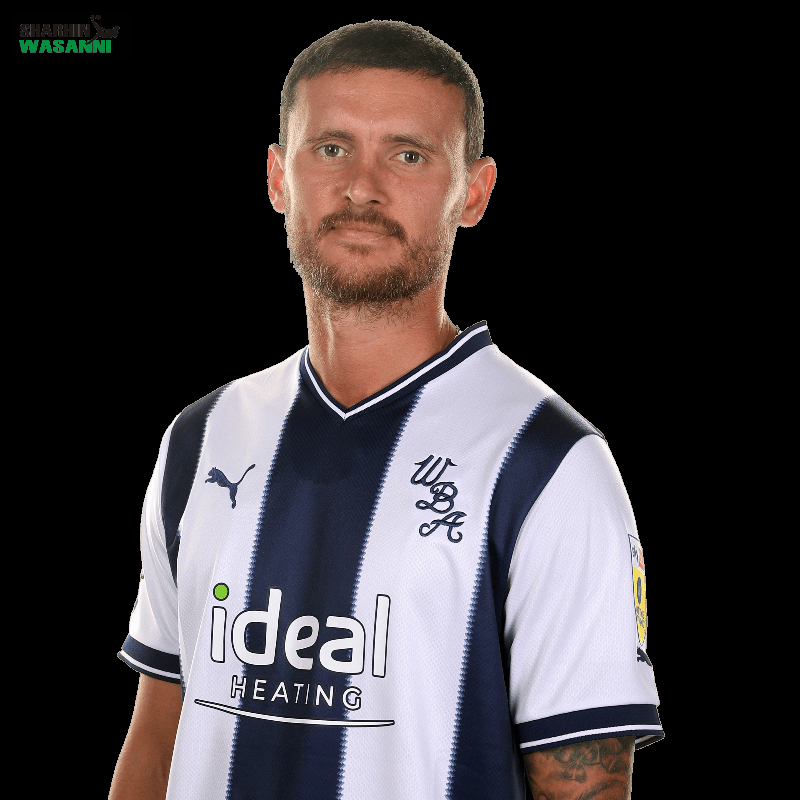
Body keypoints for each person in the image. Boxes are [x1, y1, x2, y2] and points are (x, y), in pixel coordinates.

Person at [109, 20, 664, 800]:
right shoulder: (200, 439)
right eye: (332, 148)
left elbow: (584, 787)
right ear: (277, 177)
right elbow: (158, 741)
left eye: (408, 155)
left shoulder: (548, 463)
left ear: (473, 193)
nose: (362, 188)